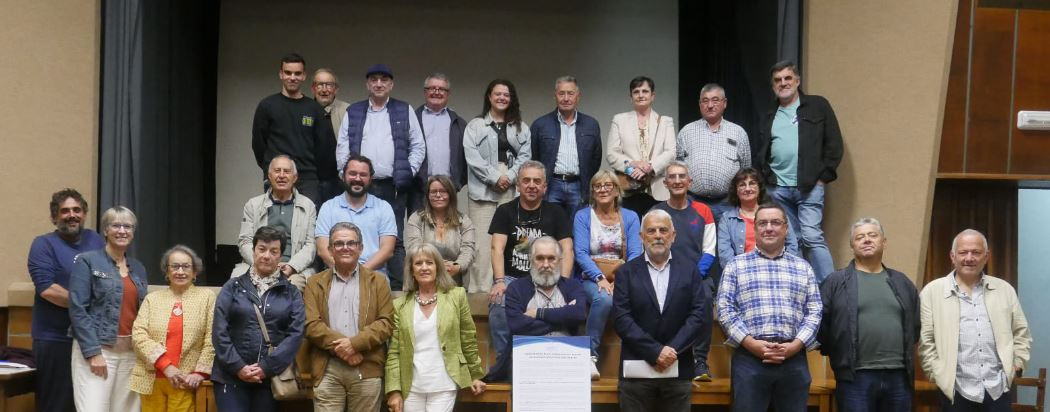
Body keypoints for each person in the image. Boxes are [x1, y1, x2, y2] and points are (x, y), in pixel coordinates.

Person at [716, 203, 822, 411]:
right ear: (754, 229)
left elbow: (815, 311)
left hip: (793, 359)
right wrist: (751, 343)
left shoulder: (803, 267)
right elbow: (725, 309)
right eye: (762, 223)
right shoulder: (736, 266)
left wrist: (796, 345)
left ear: (786, 228)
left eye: (776, 222)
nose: (769, 228)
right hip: (750, 359)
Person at [919, 229, 1031, 411]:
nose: (969, 258)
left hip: (997, 389)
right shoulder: (932, 292)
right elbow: (926, 341)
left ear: (986, 256)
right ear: (952, 256)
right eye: (963, 252)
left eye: (976, 252)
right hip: (955, 391)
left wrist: (1016, 366)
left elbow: (1021, 332)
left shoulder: (1005, 290)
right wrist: (937, 374)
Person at [336, 64, 426, 289]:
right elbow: (342, 146)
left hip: (392, 186)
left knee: (393, 239)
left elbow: (418, 146)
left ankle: (397, 288)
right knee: (355, 232)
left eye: (384, 80)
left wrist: (408, 171)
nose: (378, 84)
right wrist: (345, 175)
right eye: (374, 79)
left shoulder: (404, 110)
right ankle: (351, 280)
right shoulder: (354, 111)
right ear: (367, 84)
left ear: (391, 84)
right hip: (359, 185)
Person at [753, 60, 843, 283]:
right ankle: (798, 287)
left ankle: (832, 291)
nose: (783, 83)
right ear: (772, 85)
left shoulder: (817, 105)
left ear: (797, 80)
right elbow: (762, 149)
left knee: (812, 237)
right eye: (778, 80)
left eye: (787, 78)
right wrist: (766, 180)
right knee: (791, 241)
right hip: (778, 189)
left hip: (810, 186)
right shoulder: (769, 114)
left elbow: (834, 143)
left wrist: (823, 177)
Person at [612, 209, 709, 412]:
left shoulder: (690, 270)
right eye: (651, 230)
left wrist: (671, 351)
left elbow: (698, 314)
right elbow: (622, 318)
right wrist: (655, 351)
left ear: (673, 236)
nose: (657, 235)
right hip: (636, 371)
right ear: (641, 237)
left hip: (678, 367)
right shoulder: (625, 272)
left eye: (663, 230)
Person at [819, 218, 919, 412]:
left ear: (884, 242)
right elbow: (822, 326)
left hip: (899, 376)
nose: (866, 240)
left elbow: (915, 325)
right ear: (852, 245)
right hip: (855, 377)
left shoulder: (902, 282)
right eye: (860, 237)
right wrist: (840, 355)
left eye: (873, 235)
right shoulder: (835, 282)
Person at [486, 161, 573, 364]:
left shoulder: (557, 213)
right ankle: (504, 362)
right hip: (512, 277)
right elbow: (496, 248)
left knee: (566, 308)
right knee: (498, 303)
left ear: (545, 187)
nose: (531, 185)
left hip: (546, 279)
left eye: (537, 181)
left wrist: (565, 282)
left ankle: (548, 362)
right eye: (526, 180)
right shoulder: (505, 211)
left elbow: (567, 250)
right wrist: (499, 281)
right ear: (518, 185)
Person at [27, 189, 105, 412]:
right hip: (55, 339)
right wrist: (87, 306)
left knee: (88, 404)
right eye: (65, 211)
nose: (72, 215)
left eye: (77, 210)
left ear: (85, 213)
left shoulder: (95, 240)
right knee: (57, 405)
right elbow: (48, 290)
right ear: (54, 217)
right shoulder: (43, 244)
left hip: (91, 340)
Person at [212, 226, 305, 412]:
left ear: (281, 256)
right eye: (262, 249)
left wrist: (266, 367)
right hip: (230, 377)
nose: (266, 256)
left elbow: (296, 334)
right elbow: (219, 331)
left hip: (270, 379)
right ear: (253, 251)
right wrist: (238, 367)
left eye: (274, 251)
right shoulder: (232, 287)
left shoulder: (291, 293)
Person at [304, 222, 395, 412]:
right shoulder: (314, 283)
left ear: (360, 248)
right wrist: (345, 347)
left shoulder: (378, 282)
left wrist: (355, 344)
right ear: (330, 249)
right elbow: (311, 325)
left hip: (367, 366)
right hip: (327, 368)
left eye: (351, 243)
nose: (345, 247)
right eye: (338, 244)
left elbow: (386, 323)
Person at [385, 243, 486, 412]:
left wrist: (475, 375)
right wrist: (394, 391)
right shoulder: (399, 306)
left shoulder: (457, 296)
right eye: (418, 263)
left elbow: (468, 338)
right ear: (411, 270)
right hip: (411, 386)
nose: (424, 267)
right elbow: (394, 352)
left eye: (429, 263)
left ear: (438, 267)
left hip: (444, 383)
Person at [69, 206, 149, 412]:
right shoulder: (87, 261)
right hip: (98, 352)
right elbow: (78, 309)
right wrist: (93, 352)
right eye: (116, 225)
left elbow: (142, 312)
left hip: (130, 355)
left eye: (128, 226)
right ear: (105, 230)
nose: (122, 231)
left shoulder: (138, 268)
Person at [485, 236, 588, 382]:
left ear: (559, 261)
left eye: (551, 258)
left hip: (566, 361)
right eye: (540, 258)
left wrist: (538, 313)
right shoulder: (516, 288)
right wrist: (564, 316)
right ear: (531, 260)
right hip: (527, 361)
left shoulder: (573, 286)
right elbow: (518, 326)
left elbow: (579, 314)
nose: (546, 264)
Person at [463, 79, 532, 293]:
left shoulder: (521, 127)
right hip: (482, 190)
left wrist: (509, 177)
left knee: (515, 241)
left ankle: (514, 289)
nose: (502, 98)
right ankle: (481, 291)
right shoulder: (475, 126)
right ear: (489, 97)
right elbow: (471, 156)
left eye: (506, 94)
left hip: (511, 188)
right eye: (497, 94)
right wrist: (494, 177)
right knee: (483, 245)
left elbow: (526, 156)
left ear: (511, 99)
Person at [572, 170, 642, 378]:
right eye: (597, 186)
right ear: (592, 191)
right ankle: (589, 356)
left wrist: (619, 279)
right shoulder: (583, 216)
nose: (602, 189)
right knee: (604, 299)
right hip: (591, 277)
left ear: (616, 190)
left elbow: (635, 254)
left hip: (622, 276)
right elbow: (581, 253)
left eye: (607, 185)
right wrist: (600, 278)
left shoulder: (629, 217)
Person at [651, 161, 717, 381]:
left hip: (697, 276)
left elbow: (709, 250)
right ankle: (658, 354)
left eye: (682, 176)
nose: (677, 181)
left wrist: (693, 278)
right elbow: (651, 249)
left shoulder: (703, 211)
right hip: (662, 273)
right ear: (665, 182)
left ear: (690, 182)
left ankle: (700, 362)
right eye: (672, 177)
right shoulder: (656, 212)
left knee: (706, 298)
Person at [130, 245, 216, 411]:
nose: (180, 271)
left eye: (186, 266)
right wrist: (166, 366)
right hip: (151, 379)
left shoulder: (206, 297)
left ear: (195, 272)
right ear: (167, 272)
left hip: (185, 381)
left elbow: (211, 338)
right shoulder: (152, 299)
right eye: (175, 266)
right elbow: (138, 335)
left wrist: (200, 373)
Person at [251, 52, 338, 206]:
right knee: (275, 227)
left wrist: (316, 174)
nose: (292, 77)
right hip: (278, 178)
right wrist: (270, 170)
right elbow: (258, 144)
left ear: (304, 76)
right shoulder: (267, 106)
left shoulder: (314, 108)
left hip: (308, 179)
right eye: (288, 73)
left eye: (297, 73)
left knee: (307, 226)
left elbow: (324, 147)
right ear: (281, 74)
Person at [234, 155, 317, 290]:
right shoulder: (253, 205)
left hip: (293, 270)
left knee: (291, 289)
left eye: (287, 171)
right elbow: (245, 241)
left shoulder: (308, 206)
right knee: (235, 287)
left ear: (295, 178)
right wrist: (261, 264)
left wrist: (291, 266)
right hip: (257, 265)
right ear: (269, 176)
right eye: (277, 171)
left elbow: (311, 245)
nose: (282, 175)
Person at [315, 155, 398, 283]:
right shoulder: (328, 207)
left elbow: (387, 250)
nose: (357, 179)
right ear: (343, 176)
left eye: (363, 175)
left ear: (371, 179)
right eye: (352, 174)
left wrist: (359, 273)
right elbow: (323, 250)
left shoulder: (383, 207)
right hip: (335, 273)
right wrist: (342, 272)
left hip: (373, 274)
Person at [675, 83, 751, 221]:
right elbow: (678, 167)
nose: (710, 105)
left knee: (726, 242)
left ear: (724, 103)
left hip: (727, 203)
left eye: (715, 100)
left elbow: (746, 170)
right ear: (700, 104)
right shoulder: (686, 132)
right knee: (694, 242)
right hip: (693, 202)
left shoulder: (738, 133)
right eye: (705, 101)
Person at [530, 75, 603, 216]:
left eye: (570, 93)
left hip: (579, 185)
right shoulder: (540, 124)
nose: (566, 98)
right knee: (549, 227)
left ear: (578, 96)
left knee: (577, 227)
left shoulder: (591, 124)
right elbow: (534, 157)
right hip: (551, 185)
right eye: (561, 93)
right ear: (555, 96)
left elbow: (595, 159)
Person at [605, 76, 676, 216]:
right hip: (628, 189)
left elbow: (671, 152)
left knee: (656, 232)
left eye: (645, 91)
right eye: (636, 92)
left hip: (658, 190)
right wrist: (633, 165)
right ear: (630, 97)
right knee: (629, 231)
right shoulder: (619, 120)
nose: (641, 95)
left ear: (652, 95)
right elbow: (611, 153)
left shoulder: (666, 121)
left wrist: (649, 167)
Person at [717, 167, 800, 268]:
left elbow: (792, 246)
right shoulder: (727, 219)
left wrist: (781, 269)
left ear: (759, 188)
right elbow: (725, 255)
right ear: (736, 191)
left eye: (752, 183)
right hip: (742, 272)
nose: (747, 189)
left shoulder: (777, 213)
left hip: (778, 270)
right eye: (742, 185)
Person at [404, 175, 475, 285]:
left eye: (443, 191)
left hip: (454, 279)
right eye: (433, 192)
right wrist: (436, 264)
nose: (438, 195)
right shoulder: (416, 218)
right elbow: (414, 247)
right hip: (424, 276)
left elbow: (468, 251)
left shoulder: (464, 221)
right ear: (428, 196)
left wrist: (456, 266)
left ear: (451, 195)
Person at [413, 72, 468, 212]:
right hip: (418, 189)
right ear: (425, 92)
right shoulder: (412, 119)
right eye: (432, 88)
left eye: (441, 89)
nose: (436, 92)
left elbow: (466, 156)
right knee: (418, 230)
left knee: (449, 230)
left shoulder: (459, 123)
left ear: (448, 94)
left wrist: (457, 183)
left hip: (448, 188)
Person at [313, 68, 350, 145]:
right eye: (319, 85)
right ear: (313, 89)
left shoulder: (348, 111)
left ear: (336, 89)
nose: (324, 90)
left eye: (329, 85)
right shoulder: (305, 109)